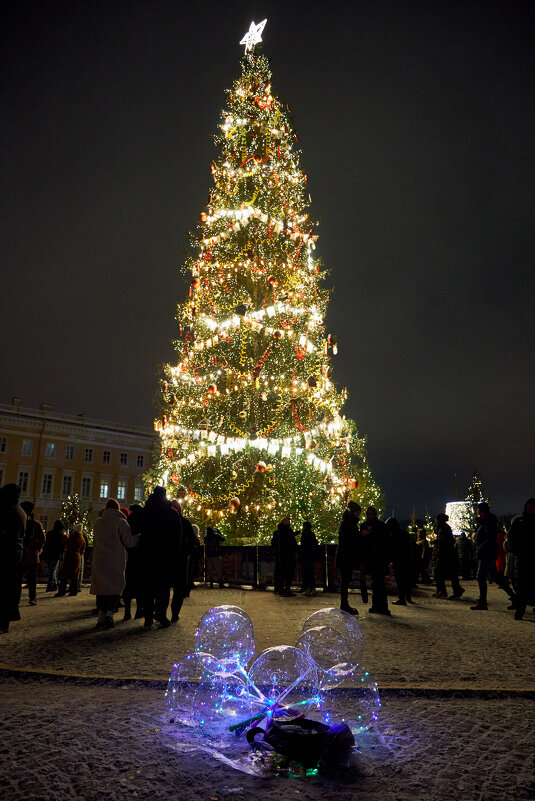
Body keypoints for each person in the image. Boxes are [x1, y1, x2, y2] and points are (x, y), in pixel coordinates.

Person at [90, 499, 140, 628]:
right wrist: (139, 537)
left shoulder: (98, 522)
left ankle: (100, 617)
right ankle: (109, 615)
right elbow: (129, 542)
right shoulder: (120, 522)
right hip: (114, 560)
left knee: (101, 589)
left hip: (99, 559)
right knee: (114, 588)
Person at [138, 486, 182, 628]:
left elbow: (136, 530)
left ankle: (148, 617)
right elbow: (177, 537)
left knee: (148, 587)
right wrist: (174, 555)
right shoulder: (172, 514)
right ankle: (161, 615)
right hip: (165, 556)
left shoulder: (145, 512)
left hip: (147, 555)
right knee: (163, 587)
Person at [471, 502, 516, 611]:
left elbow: (489, 539)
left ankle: (482, 602)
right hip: (488, 553)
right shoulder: (487, 522)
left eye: (478, 509)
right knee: (496, 577)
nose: (477, 511)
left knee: (480, 576)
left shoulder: (488, 522)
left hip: (486, 553)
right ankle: (515, 598)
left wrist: (480, 549)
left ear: (482, 510)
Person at [0, 484, 26, 633]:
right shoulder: (20, 511)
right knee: (10, 588)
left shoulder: (9, 511)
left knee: (4, 588)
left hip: (7, 553)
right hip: (16, 553)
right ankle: (5, 621)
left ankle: (3, 620)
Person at [505, 498, 535, 621]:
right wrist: (517, 550)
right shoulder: (519, 521)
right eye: (529, 507)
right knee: (522, 586)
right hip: (523, 558)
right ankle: (520, 610)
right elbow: (511, 538)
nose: (531, 509)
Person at [361, 507, 392, 615]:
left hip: (378, 558)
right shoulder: (369, 526)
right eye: (368, 514)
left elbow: (384, 542)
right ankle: (377, 605)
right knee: (376, 583)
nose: (369, 516)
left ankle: (381, 606)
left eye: (371, 514)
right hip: (373, 558)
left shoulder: (380, 526)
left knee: (379, 584)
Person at [336, 501, 361, 614]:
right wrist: (361, 535)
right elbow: (351, 540)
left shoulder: (347, 523)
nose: (358, 516)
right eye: (358, 513)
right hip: (347, 556)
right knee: (345, 580)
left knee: (345, 580)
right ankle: (344, 604)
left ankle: (344, 603)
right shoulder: (349, 524)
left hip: (345, 556)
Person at [432, 513, 464, 600]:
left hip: (446, 554)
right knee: (448, 573)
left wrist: (437, 542)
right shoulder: (443, 528)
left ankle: (446, 591)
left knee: (440, 572)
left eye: (436, 520)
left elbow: (445, 541)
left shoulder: (444, 528)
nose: (435, 522)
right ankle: (453, 590)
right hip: (447, 553)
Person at [169, 499, 191, 623]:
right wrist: (186, 553)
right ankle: (174, 613)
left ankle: (160, 613)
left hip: (168, 559)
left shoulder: (165, 523)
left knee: (164, 587)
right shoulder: (185, 523)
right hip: (181, 560)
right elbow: (191, 541)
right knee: (179, 588)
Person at [20, 501, 45, 606]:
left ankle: (16, 598)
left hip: (21, 555)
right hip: (32, 555)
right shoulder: (36, 524)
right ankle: (32, 597)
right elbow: (42, 539)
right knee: (32, 578)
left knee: (19, 577)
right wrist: (37, 549)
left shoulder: (20, 521)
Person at [123, 504, 144, 621]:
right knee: (140, 586)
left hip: (130, 557)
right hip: (140, 558)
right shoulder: (143, 521)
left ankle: (127, 612)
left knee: (128, 586)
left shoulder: (128, 520)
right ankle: (139, 610)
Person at [386, 517, 413, 605]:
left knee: (400, 580)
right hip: (407, 559)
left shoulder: (393, 535)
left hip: (398, 560)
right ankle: (408, 597)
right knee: (407, 579)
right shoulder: (404, 534)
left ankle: (402, 598)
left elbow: (392, 549)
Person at [56, 524, 86, 597]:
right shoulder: (82, 538)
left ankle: (62, 591)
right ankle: (74, 590)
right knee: (75, 575)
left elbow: (64, 544)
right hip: (77, 557)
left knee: (63, 574)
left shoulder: (72, 537)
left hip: (69, 556)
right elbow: (83, 549)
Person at [272, 517, 298, 596]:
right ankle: (286, 589)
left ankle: (280, 588)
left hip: (281, 556)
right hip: (288, 555)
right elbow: (292, 543)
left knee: (281, 573)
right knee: (288, 573)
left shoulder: (278, 532)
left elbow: (274, 544)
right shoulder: (288, 531)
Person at [43, 520, 67, 592]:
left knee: (51, 570)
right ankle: (51, 585)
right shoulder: (61, 535)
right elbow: (62, 546)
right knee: (53, 570)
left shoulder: (49, 534)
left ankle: (53, 584)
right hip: (56, 554)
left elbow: (46, 544)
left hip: (49, 554)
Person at [299, 521, 318, 597]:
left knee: (305, 573)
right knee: (311, 573)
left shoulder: (304, 535)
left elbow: (303, 547)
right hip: (311, 556)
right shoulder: (312, 535)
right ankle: (313, 589)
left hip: (305, 556)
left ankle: (306, 589)